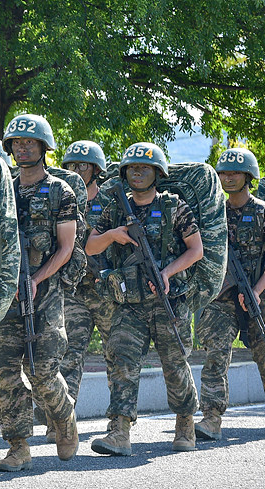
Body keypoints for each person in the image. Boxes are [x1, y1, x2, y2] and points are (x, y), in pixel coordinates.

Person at [86, 142, 202, 455]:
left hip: (169, 300)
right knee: (122, 361)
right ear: (125, 173)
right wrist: (113, 234)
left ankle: (185, 423)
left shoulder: (173, 206)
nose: (138, 173)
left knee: (175, 363)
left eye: (145, 168)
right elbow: (90, 246)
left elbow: (196, 250)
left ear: (157, 173)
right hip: (129, 303)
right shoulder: (115, 207)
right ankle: (119, 432)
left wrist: (167, 272)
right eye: (133, 168)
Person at [0, 113, 79, 472]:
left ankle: (64, 417)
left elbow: (66, 247)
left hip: (46, 293)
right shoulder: (0, 189)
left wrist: (38, 278)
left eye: (30, 143)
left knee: (42, 372)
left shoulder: (59, 191)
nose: (22, 148)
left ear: (43, 147)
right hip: (5, 294)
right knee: (8, 371)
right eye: (17, 143)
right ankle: (18, 445)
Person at [195, 147, 265, 440]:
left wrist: (257, 291)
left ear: (249, 176)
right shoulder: (213, 213)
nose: (228, 177)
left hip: (257, 296)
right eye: (223, 172)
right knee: (215, 353)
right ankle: (211, 417)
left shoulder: (261, 212)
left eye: (235, 172)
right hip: (221, 298)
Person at [57, 141, 117, 426]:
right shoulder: (63, 199)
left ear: (96, 170)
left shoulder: (112, 202)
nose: (76, 171)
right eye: (70, 166)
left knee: (116, 355)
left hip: (107, 292)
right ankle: (63, 420)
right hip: (74, 290)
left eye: (82, 165)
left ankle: (119, 419)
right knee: (68, 354)